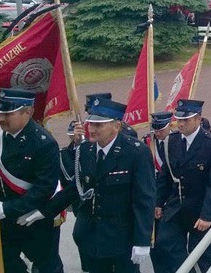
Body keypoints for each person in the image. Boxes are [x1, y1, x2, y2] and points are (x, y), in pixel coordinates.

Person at [36, 96, 155, 273]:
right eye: (90, 124)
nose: (91, 129)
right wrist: (43, 211)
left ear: (116, 126)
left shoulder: (136, 152)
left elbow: (144, 198)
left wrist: (142, 240)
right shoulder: (86, 149)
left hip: (122, 238)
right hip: (92, 237)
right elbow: (76, 188)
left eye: (99, 125)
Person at [0, 89, 64, 273]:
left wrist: (7, 209)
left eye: (8, 114)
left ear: (28, 112)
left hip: (33, 217)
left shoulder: (43, 143)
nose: (1, 119)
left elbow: (44, 188)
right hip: (2, 218)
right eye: (0, 113)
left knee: (47, 266)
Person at [155, 99, 211, 272]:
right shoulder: (171, 141)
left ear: (198, 119)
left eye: (186, 120)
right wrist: (158, 202)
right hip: (175, 207)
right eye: (179, 119)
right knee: (166, 246)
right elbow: (165, 175)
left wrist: (207, 215)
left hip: (200, 208)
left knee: (205, 253)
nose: (181, 123)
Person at [141, 112, 173, 272]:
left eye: (162, 129)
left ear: (169, 125)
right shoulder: (148, 143)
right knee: (155, 242)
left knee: (170, 243)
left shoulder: (175, 142)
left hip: (171, 199)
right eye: (156, 129)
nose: (158, 133)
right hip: (152, 197)